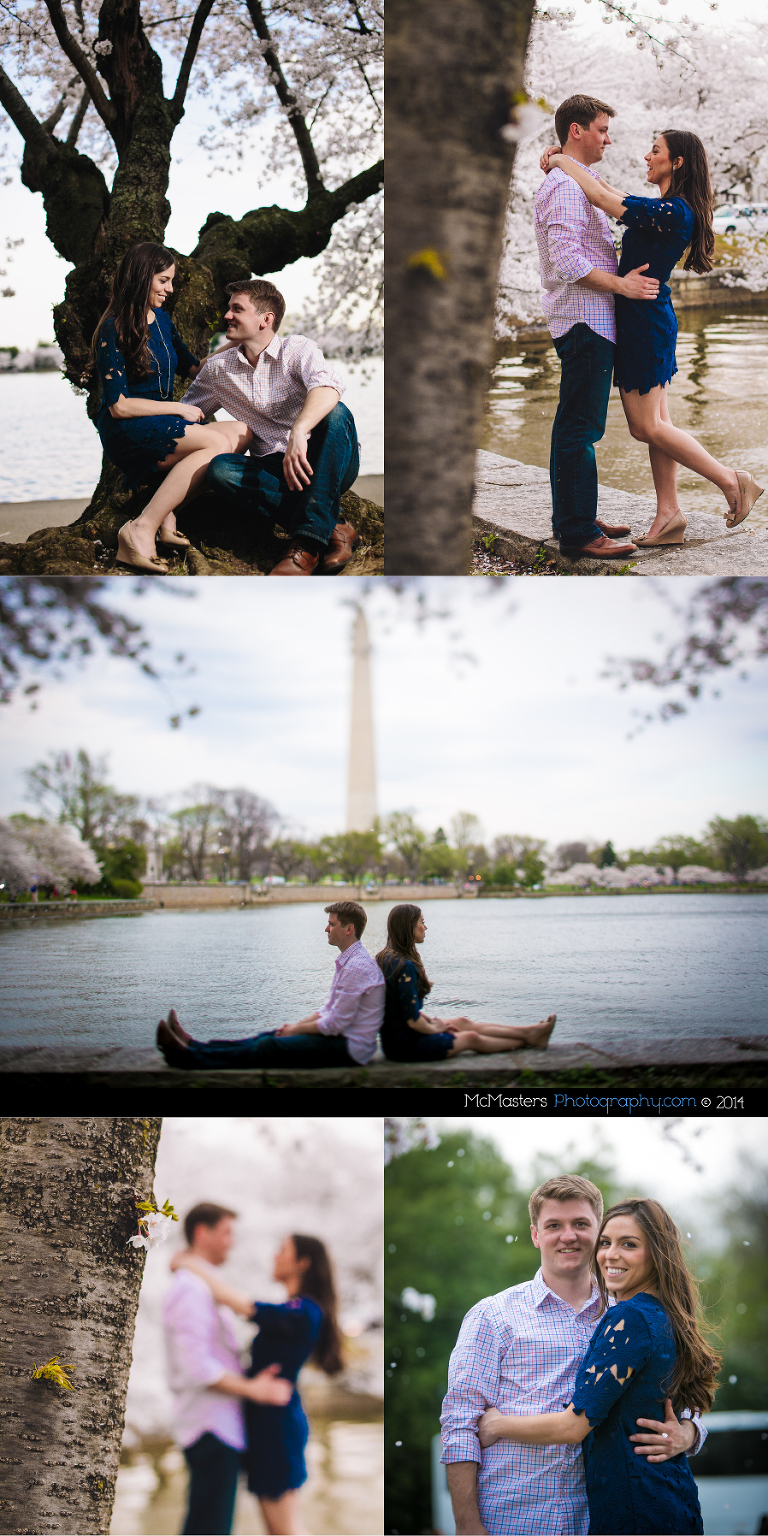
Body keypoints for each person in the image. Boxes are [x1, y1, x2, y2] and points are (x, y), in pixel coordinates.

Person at [441, 1175, 708, 1536]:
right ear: (536, 1234)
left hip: (598, 1520)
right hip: (514, 1519)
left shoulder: (629, 1316)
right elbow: (459, 1423)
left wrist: (689, 1433)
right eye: (554, 1225)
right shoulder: (493, 1316)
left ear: (596, 1231)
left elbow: (675, 1400)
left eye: (581, 1224)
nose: (568, 1236)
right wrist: (467, 1523)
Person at [540, 127, 764, 546]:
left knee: (646, 428)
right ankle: (669, 515)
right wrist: (566, 159)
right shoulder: (664, 208)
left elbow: (603, 198)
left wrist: (557, 161)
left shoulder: (674, 212)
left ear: (676, 162)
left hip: (644, 322)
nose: (647, 156)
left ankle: (733, 481)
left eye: (655, 151)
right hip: (649, 317)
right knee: (660, 423)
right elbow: (606, 188)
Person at [180, 279, 362, 575]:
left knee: (336, 413)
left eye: (237, 309)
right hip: (273, 469)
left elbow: (329, 386)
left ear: (266, 320)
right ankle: (335, 528)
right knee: (221, 469)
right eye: (229, 308)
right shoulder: (217, 370)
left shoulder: (298, 349)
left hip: (326, 458)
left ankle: (304, 548)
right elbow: (187, 415)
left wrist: (300, 431)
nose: (226, 316)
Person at [91, 242, 252, 572]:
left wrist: (237, 341)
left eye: (171, 281)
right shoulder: (113, 329)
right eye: (163, 280)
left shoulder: (162, 320)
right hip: (129, 430)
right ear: (141, 277)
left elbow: (195, 369)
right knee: (216, 443)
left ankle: (165, 514)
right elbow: (119, 406)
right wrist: (177, 409)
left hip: (162, 424)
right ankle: (141, 528)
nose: (170, 289)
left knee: (243, 433)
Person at [170, 1232, 344, 1536]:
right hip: (267, 1424)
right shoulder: (294, 1310)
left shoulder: (303, 1312)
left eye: (283, 1251)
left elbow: (235, 1301)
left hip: (276, 1427)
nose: (275, 1256)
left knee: (284, 1529)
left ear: (303, 1263)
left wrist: (188, 1263)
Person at [163, 1202, 293, 1536]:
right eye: (226, 1233)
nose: (231, 1242)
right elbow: (195, 1366)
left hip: (221, 1424)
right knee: (209, 1527)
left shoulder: (200, 1284)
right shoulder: (189, 1289)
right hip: (209, 1426)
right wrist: (254, 1390)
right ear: (201, 1232)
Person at [155, 900, 385, 1068]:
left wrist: (295, 1030)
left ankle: (188, 1058)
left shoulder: (357, 967)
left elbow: (335, 1023)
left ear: (348, 929)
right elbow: (328, 1010)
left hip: (351, 1049)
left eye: (331, 924)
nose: (326, 929)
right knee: (269, 1036)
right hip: (341, 1038)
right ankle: (193, 1045)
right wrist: (292, 1027)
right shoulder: (350, 961)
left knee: (269, 1047)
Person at [375, 903, 556, 1062]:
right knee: (470, 1037)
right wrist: (437, 1029)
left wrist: (433, 1023)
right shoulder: (405, 967)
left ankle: (530, 1032)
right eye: (421, 922)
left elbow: (399, 1008)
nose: (426, 927)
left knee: (462, 1022)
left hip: (393, 1039)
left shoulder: (384, 958)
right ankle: (528, 1040)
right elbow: (412, 1021)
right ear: (408, 927)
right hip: (405, 1046)